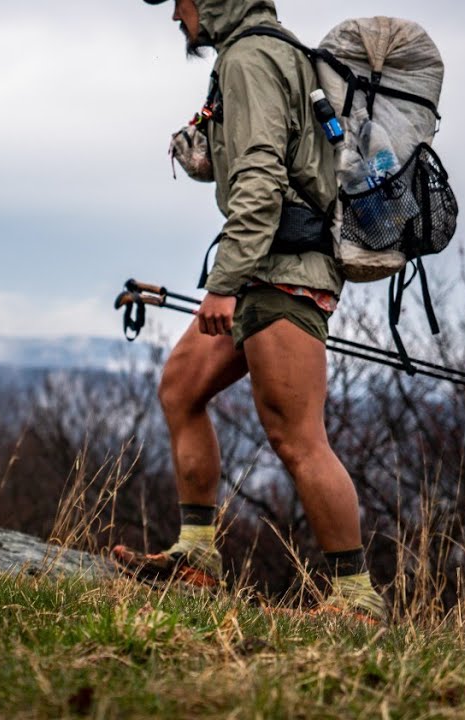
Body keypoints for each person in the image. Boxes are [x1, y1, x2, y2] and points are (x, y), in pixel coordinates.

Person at [113, 0, 387, 623]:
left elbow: (263, 177)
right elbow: (261, 160)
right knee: (182, 387)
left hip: (283, 273)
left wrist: (224, 284)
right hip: (262, 265)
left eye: (180, 1)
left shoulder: (251, 57)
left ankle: (357, 601)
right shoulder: (260, 53)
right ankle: (195, 558)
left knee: (297, 438)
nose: (174, 15)